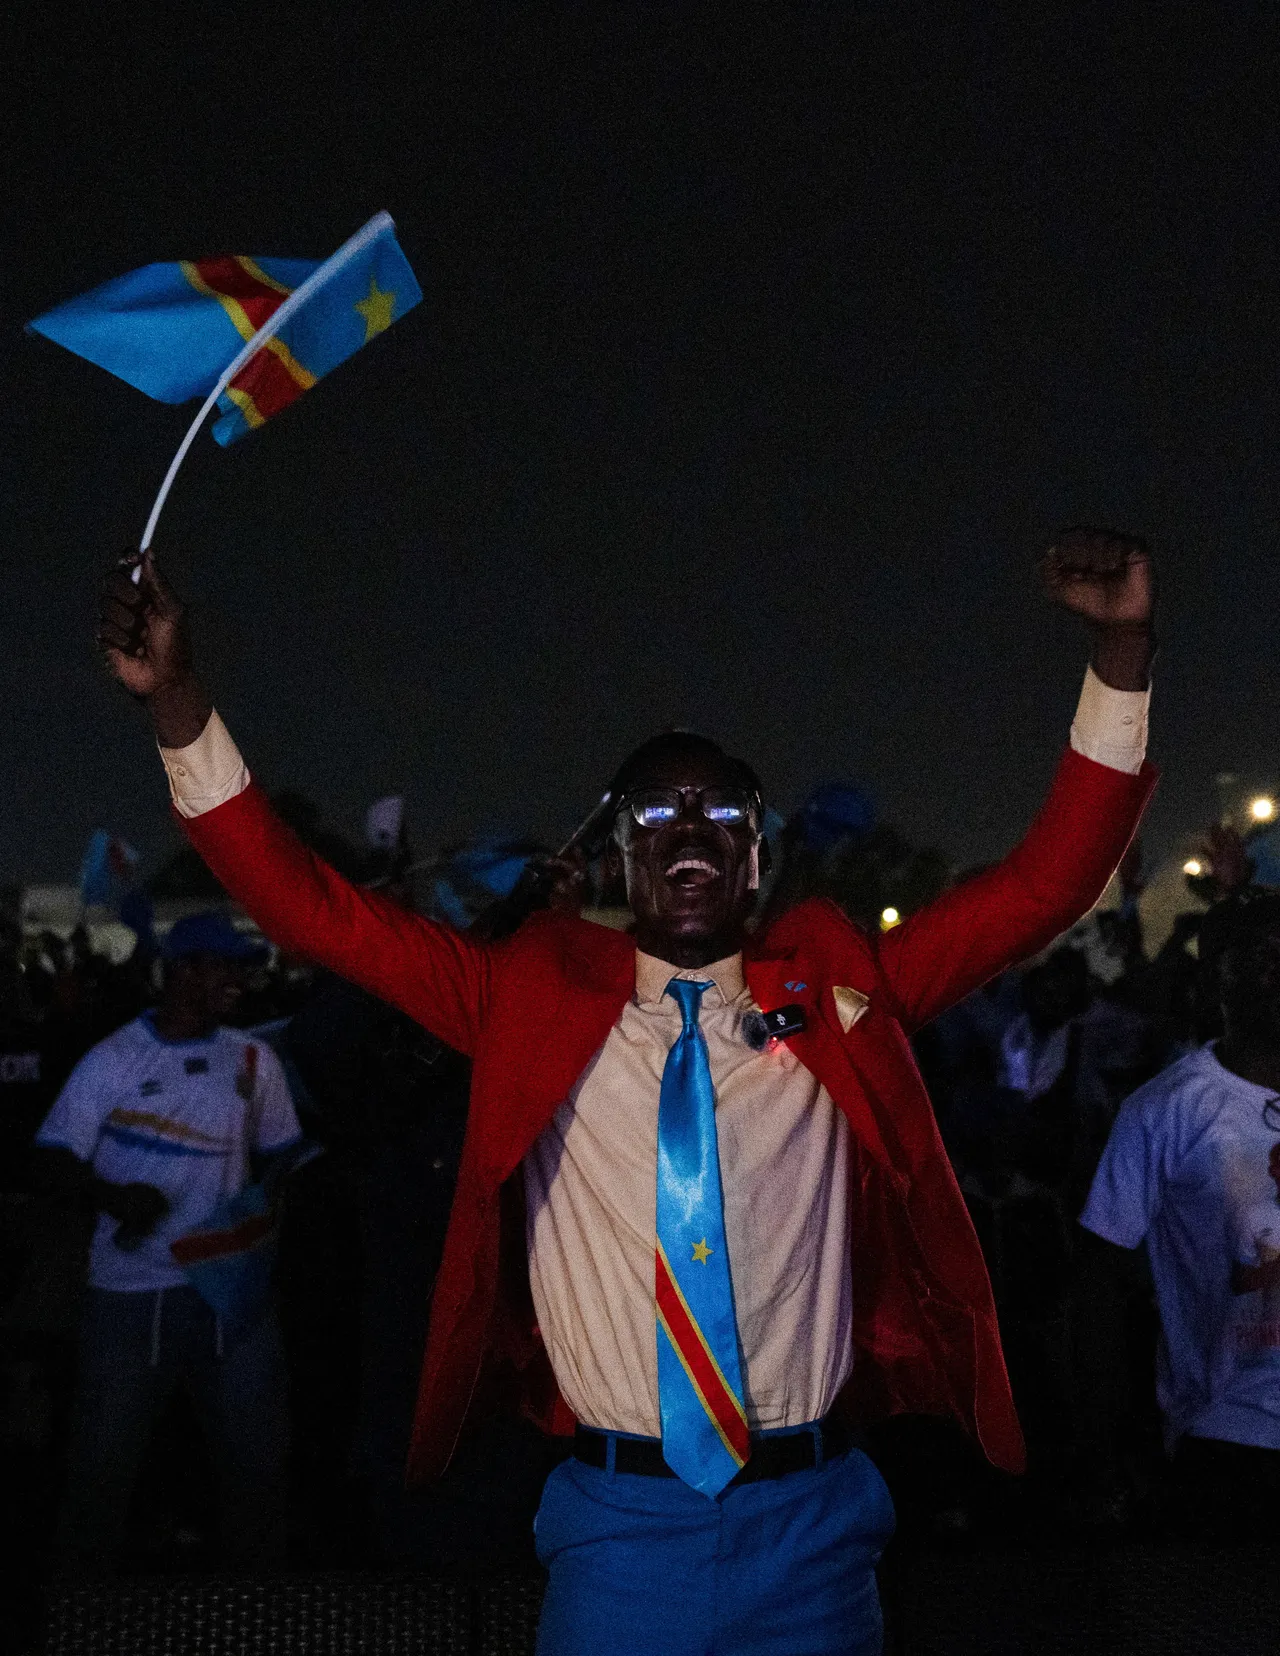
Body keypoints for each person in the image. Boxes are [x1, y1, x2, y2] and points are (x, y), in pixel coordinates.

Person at [96, 529, 1155, 1655]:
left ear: (756, 858)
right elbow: (314, 910)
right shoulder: (527, 999)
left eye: (718, 812)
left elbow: (1048, 884)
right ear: (614, 861)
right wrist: (179, 703)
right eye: (651, 812)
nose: (685, 826)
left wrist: (1123, 650)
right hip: (617, 1528)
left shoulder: (846, 988)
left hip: (811, 1522)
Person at [32, 911, 301, 1575]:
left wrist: (256, 1229)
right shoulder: (116, 1058)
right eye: (222, 966)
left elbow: (282, 1157)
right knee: (102, 1469)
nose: (238, 979)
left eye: (241, 966)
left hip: (231, 1300)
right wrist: (117, 1198)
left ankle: (260, 1611)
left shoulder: (252, 1058)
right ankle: (80, 1612)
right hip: (130, 1298)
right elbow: (52, 1158)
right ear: (181, 972)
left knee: (259, 1468)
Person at [1080, 891, 1280, 1538]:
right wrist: (1110, 1448)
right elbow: (1100, 1286)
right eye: (1261, 959)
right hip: (1232, 1443)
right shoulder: (1169, 1108)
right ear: (1216, 978)